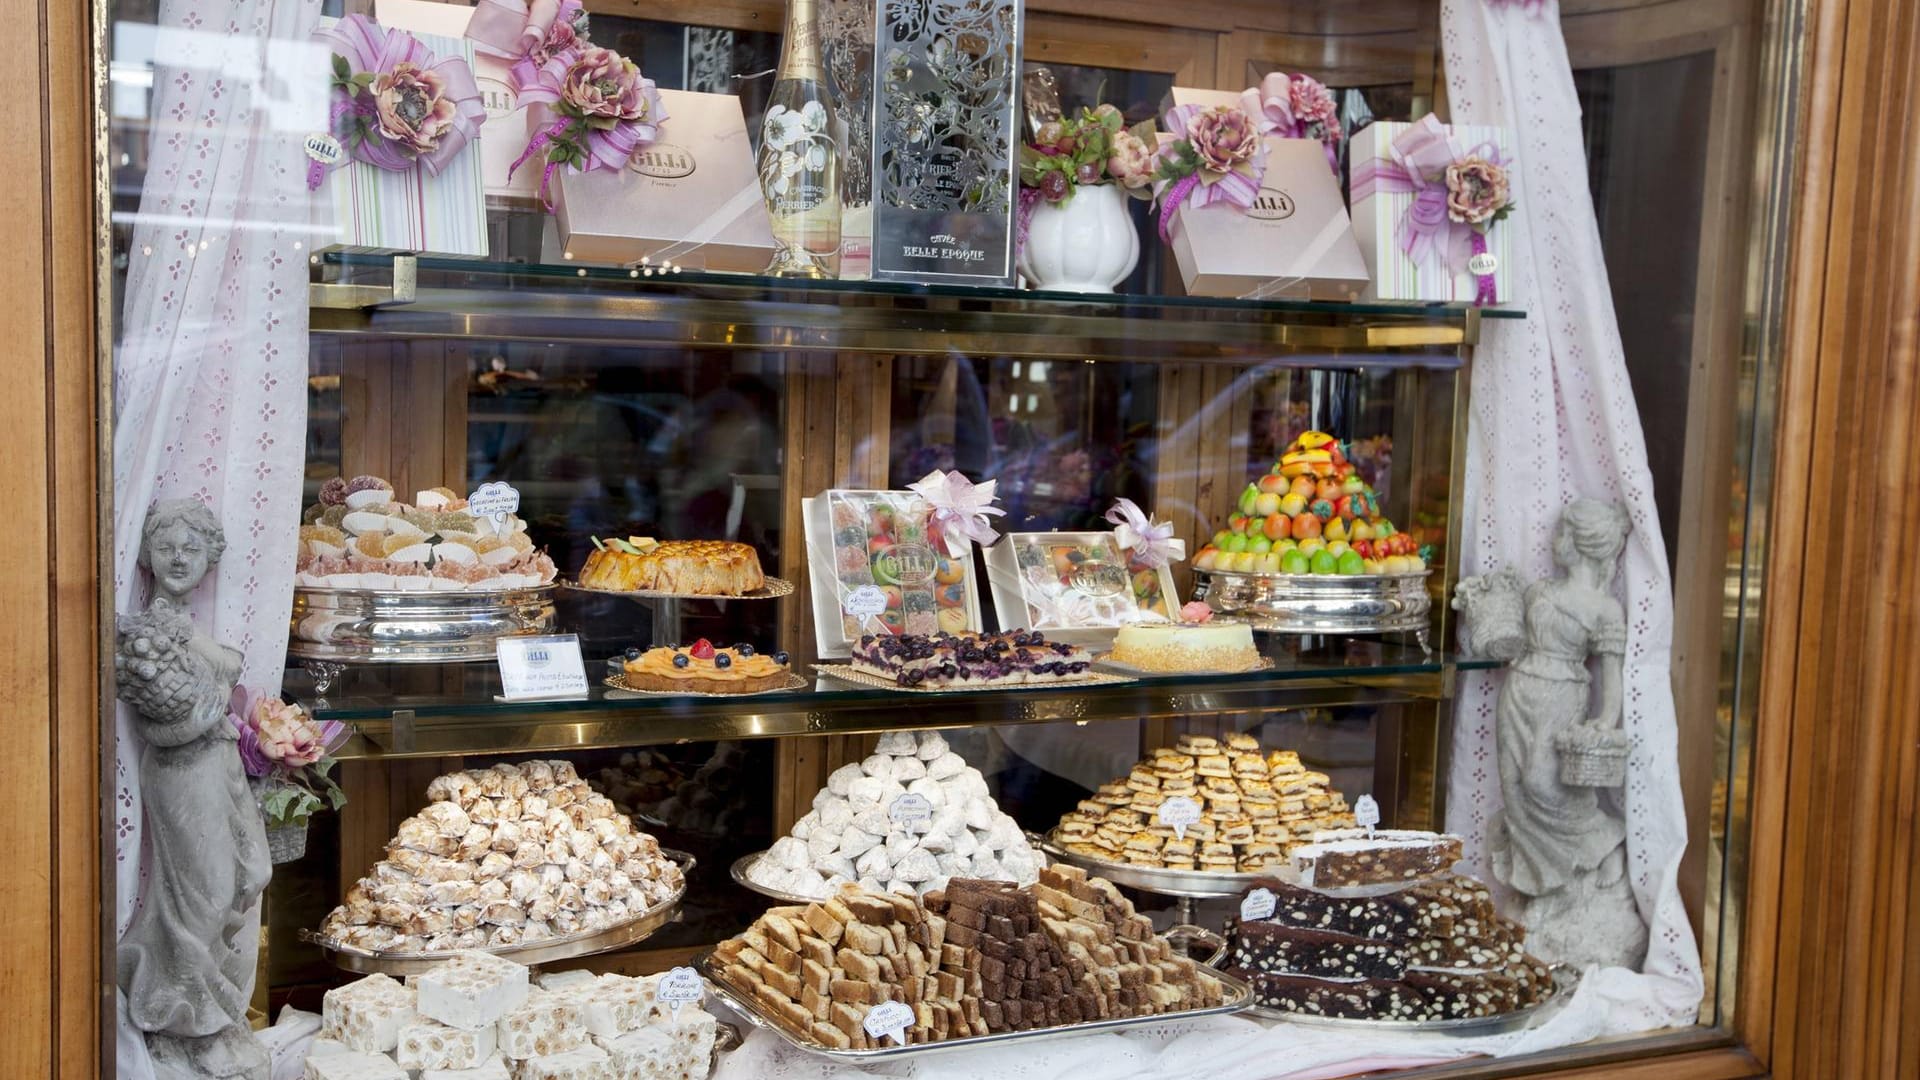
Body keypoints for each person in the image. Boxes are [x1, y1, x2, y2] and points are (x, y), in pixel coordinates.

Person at [115, 499, 271, 1080]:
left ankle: (197, 1007)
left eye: (193, 548)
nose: (180, 559)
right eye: (167, 547)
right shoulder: (143, 631)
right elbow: (161, 724)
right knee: (200, 898)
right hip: (181, 771)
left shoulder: (178, 628)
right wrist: (208, 718)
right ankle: (187, 1025)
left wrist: (215, 709)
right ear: (147, 558)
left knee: (250, 874)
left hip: (218, 765)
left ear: (211, 559)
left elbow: (226, 667)